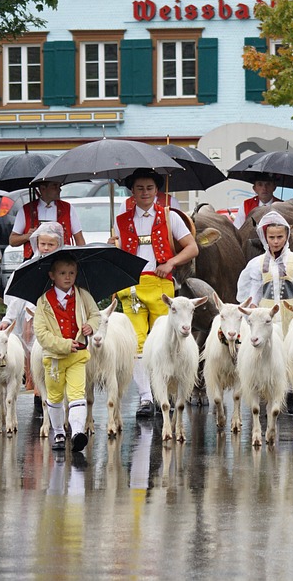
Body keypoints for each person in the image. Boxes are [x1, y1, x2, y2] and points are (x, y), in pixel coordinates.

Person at [114, 168, 199, 419]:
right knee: (137, 343)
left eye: (150, 188)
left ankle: (167, 391)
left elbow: (192, 247)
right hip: (131, 287)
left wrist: (171, 263)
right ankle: (145, 398)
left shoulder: (169, 216)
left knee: (165, 340)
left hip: (161, 286)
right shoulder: (122, 219)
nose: (145, 193)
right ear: (132, 191)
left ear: (157, 190)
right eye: (140, 188)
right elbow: (119, 251)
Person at [237, 209, 293, 415]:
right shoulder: (257, 264)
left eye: (279, 237)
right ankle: (270, 389)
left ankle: (291, 392)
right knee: (270, 352)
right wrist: (251, 308)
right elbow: (254, 290)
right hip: (267, 316)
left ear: (286, 236)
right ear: (264, 237)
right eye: (271, 237)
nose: (276, 241)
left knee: (291, 353)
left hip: (291, 313)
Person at [32, 252, 99, 453]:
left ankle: (78, 431)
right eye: (62, 273)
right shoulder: (43, 302)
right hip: (54, 359)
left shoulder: (82, 295)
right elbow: (41, 334)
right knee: (54, 396)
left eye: (71, 272)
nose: (68, 277)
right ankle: (59, 431)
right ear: (52, 275)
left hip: (78, 355)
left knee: (77, 392)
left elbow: (95, 314)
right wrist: (62, 345)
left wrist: (90, 325)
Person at [0, 221, 65, 416]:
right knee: (34, 359)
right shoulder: (29, 267)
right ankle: (39, 395)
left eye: (50, 245)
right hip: (32, 318)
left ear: (58, 245)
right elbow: (17, 298)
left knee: (54, 356)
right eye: (42, 244)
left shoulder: (64, 269)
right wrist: (8, 319)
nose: (45, 248)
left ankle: (55, 393)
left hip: (56, 319)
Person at [11, 180, 85, 259]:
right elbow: (12, 241)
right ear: (43, 188)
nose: (59, 189)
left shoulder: (68, 208)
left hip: (63, 260)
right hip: (34, 261)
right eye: (55, 186)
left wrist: (81, 259)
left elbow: (79, 239)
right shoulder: (26, 210)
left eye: (59, 186)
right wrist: (27, 236)